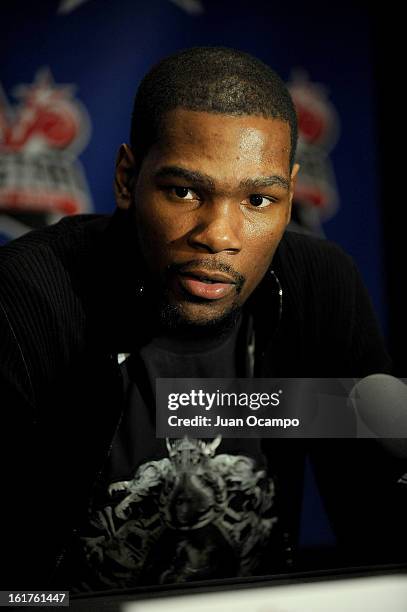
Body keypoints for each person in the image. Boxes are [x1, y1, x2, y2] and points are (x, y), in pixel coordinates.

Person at [0, 47, 401, 593]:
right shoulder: (29, 298)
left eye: (259, 199)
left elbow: (377, 526)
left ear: (288, 197)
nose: (219, 235)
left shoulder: (318, 288)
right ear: (127, 179)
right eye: (184, 191)